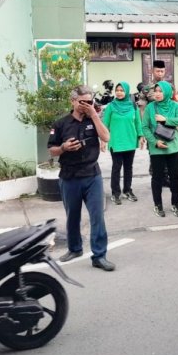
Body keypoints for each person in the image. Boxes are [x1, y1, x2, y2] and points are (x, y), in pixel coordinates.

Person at [48, 85, 115, 271]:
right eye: (82, 102)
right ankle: (75, 248)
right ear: (73, 101)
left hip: (92, 175)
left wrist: (94, 115)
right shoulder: (61, 124)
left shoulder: (93, 119)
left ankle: (99, 255)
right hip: (69, 176)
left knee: (97, 217)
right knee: (73, 216)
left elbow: (106, 137)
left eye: (89, 101)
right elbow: (51, 150)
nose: (86, 105)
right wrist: (63, 148)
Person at [141, 81, 178, 217]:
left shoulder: (175, 106)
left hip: (173, 147)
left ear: (167, 92)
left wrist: (165, 120)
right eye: (156, 91)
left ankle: (176, 204)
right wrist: (154, 142)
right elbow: (145, 127)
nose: (157, 94)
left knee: (174, 177)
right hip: (157, 148)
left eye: (161, 91)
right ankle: (158, 205)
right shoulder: (150, 107)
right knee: (157, 177)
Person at [101, 81, 145, 205]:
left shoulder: (133, 106)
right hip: (116, 142)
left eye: (122, 90)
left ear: (126, 92)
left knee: (128, 168)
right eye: (117, 90)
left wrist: (141, 136)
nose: (119, 92)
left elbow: (138, 123)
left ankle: (127, 190)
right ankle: (115, 193)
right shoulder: (111, 106)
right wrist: (103, 140)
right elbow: (105, 125)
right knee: (116, 167)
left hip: (130, 141)